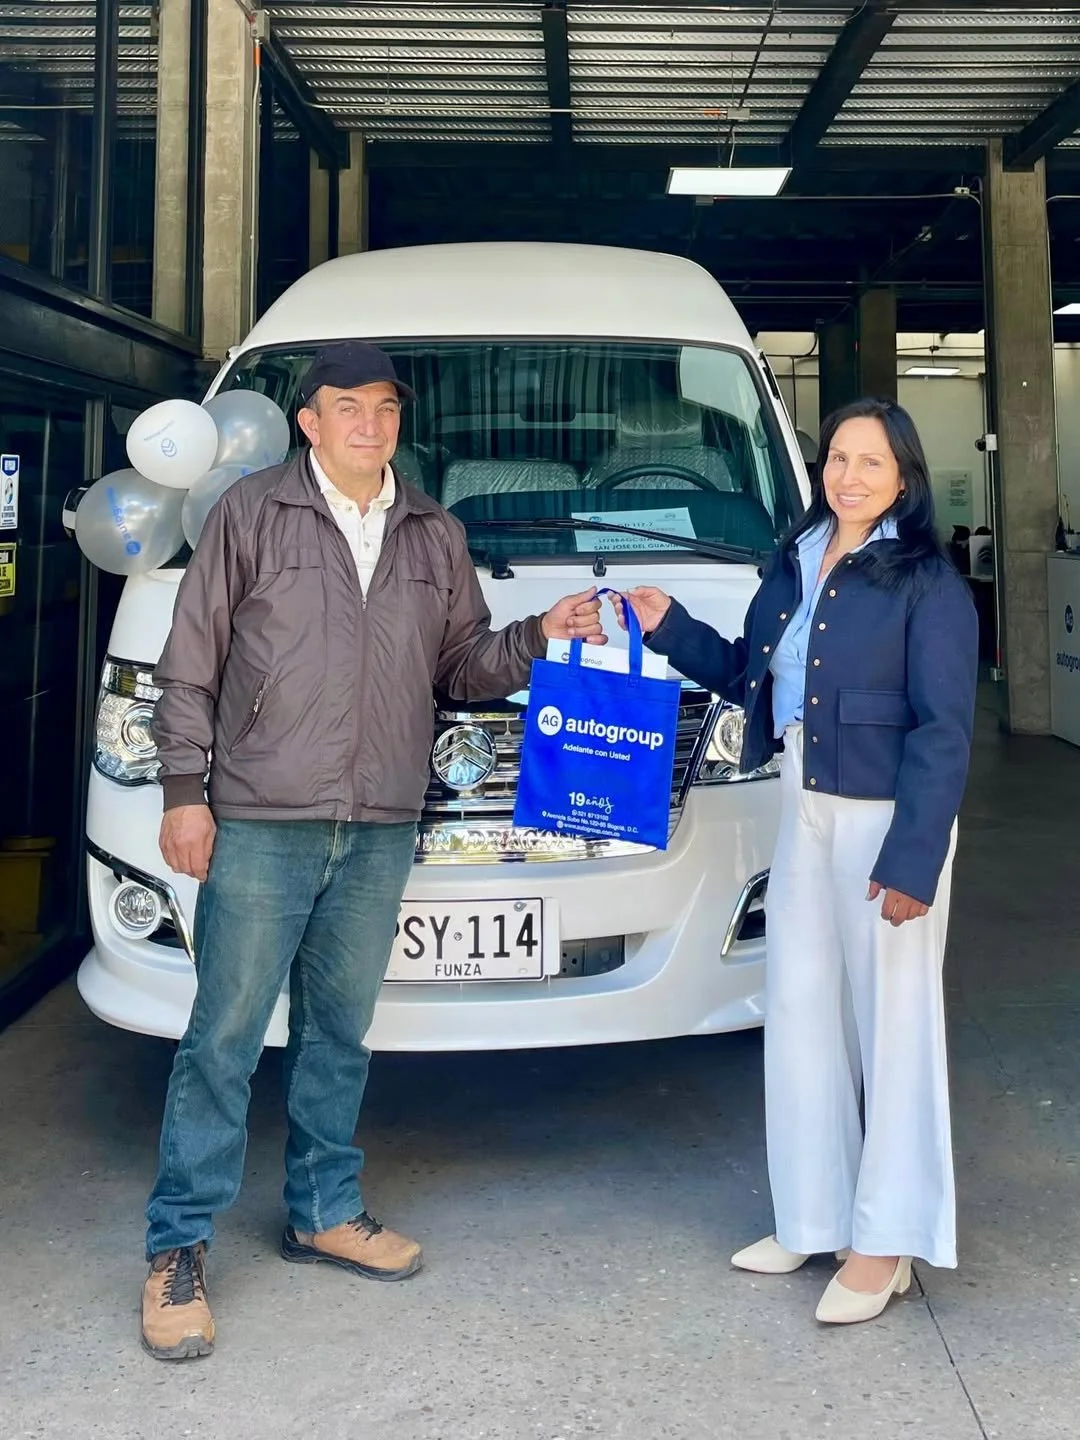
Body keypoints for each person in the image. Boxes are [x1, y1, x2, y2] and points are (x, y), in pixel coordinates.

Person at [141, 341, 607, 1360]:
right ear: (307, 421)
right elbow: (190, 665)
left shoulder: (435, 532)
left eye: (385, 407)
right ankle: (177, 1247)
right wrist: (186, 794)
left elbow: (463, 668)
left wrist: (538, 635)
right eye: (346, 406)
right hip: (263, 817)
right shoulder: (251, 515)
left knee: (337, 1034)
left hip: (383, 817)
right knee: (223, 1038)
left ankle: (323, 1209)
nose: (369, 424)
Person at [615, 397, 978, 1326]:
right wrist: (667, 626)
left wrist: (913, 860)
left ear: (905, 476)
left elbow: (944, 731)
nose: (849, 477)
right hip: (803, 806)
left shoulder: (927, 581)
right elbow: (750, 673)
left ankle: (886, 1239)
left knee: (893, 1030)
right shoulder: (797, 558)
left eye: (871, 463)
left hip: (887, 820)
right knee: (802, 1011)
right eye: (839, 460)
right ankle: (813, 1216)